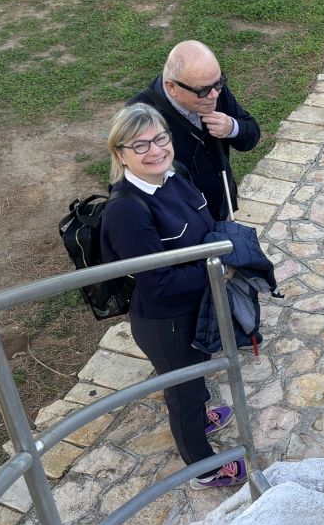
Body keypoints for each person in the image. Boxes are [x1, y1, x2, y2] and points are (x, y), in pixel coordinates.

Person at [101, 103, 246, 490]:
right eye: (140, 145)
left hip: (196, 305)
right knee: (183, 395)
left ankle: (199, 418)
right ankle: (203, 468)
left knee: (197, 374)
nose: (155, 150)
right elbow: (159, 282)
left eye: (160, 138)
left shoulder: (174, 174)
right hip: (166, 322)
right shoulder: (126, 212)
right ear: (121, 154)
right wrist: (219, 269)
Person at [131, 40, 261, 222]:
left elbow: (252, 135)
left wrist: (232, 128)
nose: (214, 95)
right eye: (203, 91)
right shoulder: (139, 116)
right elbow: (133, 181)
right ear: (171, 87)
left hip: (221, 208)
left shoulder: (212, 88)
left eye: (219, 82)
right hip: (182, 221)